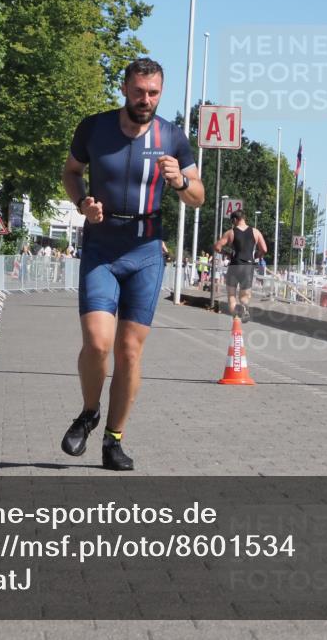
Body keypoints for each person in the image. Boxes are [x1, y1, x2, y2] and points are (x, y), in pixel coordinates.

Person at [60, 58, 203, 470]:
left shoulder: (173, 137)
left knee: (129, 351)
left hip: (145, 250)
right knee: (97, 343)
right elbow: (72, 173)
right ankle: (89, 412)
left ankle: (113, 439)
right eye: (139, 91)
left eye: (154, 92)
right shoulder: (94, 128)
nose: (146, 100)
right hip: (102, 247)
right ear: (124, 88)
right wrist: (81, 203)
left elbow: (198, 196)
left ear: (161, 92)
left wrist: (179, 182)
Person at [214, 210, 267, 322]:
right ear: (244, 218)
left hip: (235, 265)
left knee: (231, 295)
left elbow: (217, 247)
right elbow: (264, 249)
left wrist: (227, 253)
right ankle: (244, 308)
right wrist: (257, 255)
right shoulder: (255, 232)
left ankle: (236, 319)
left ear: (234, 220)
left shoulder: (230, 233)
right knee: (244, 296)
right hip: (248, 266)